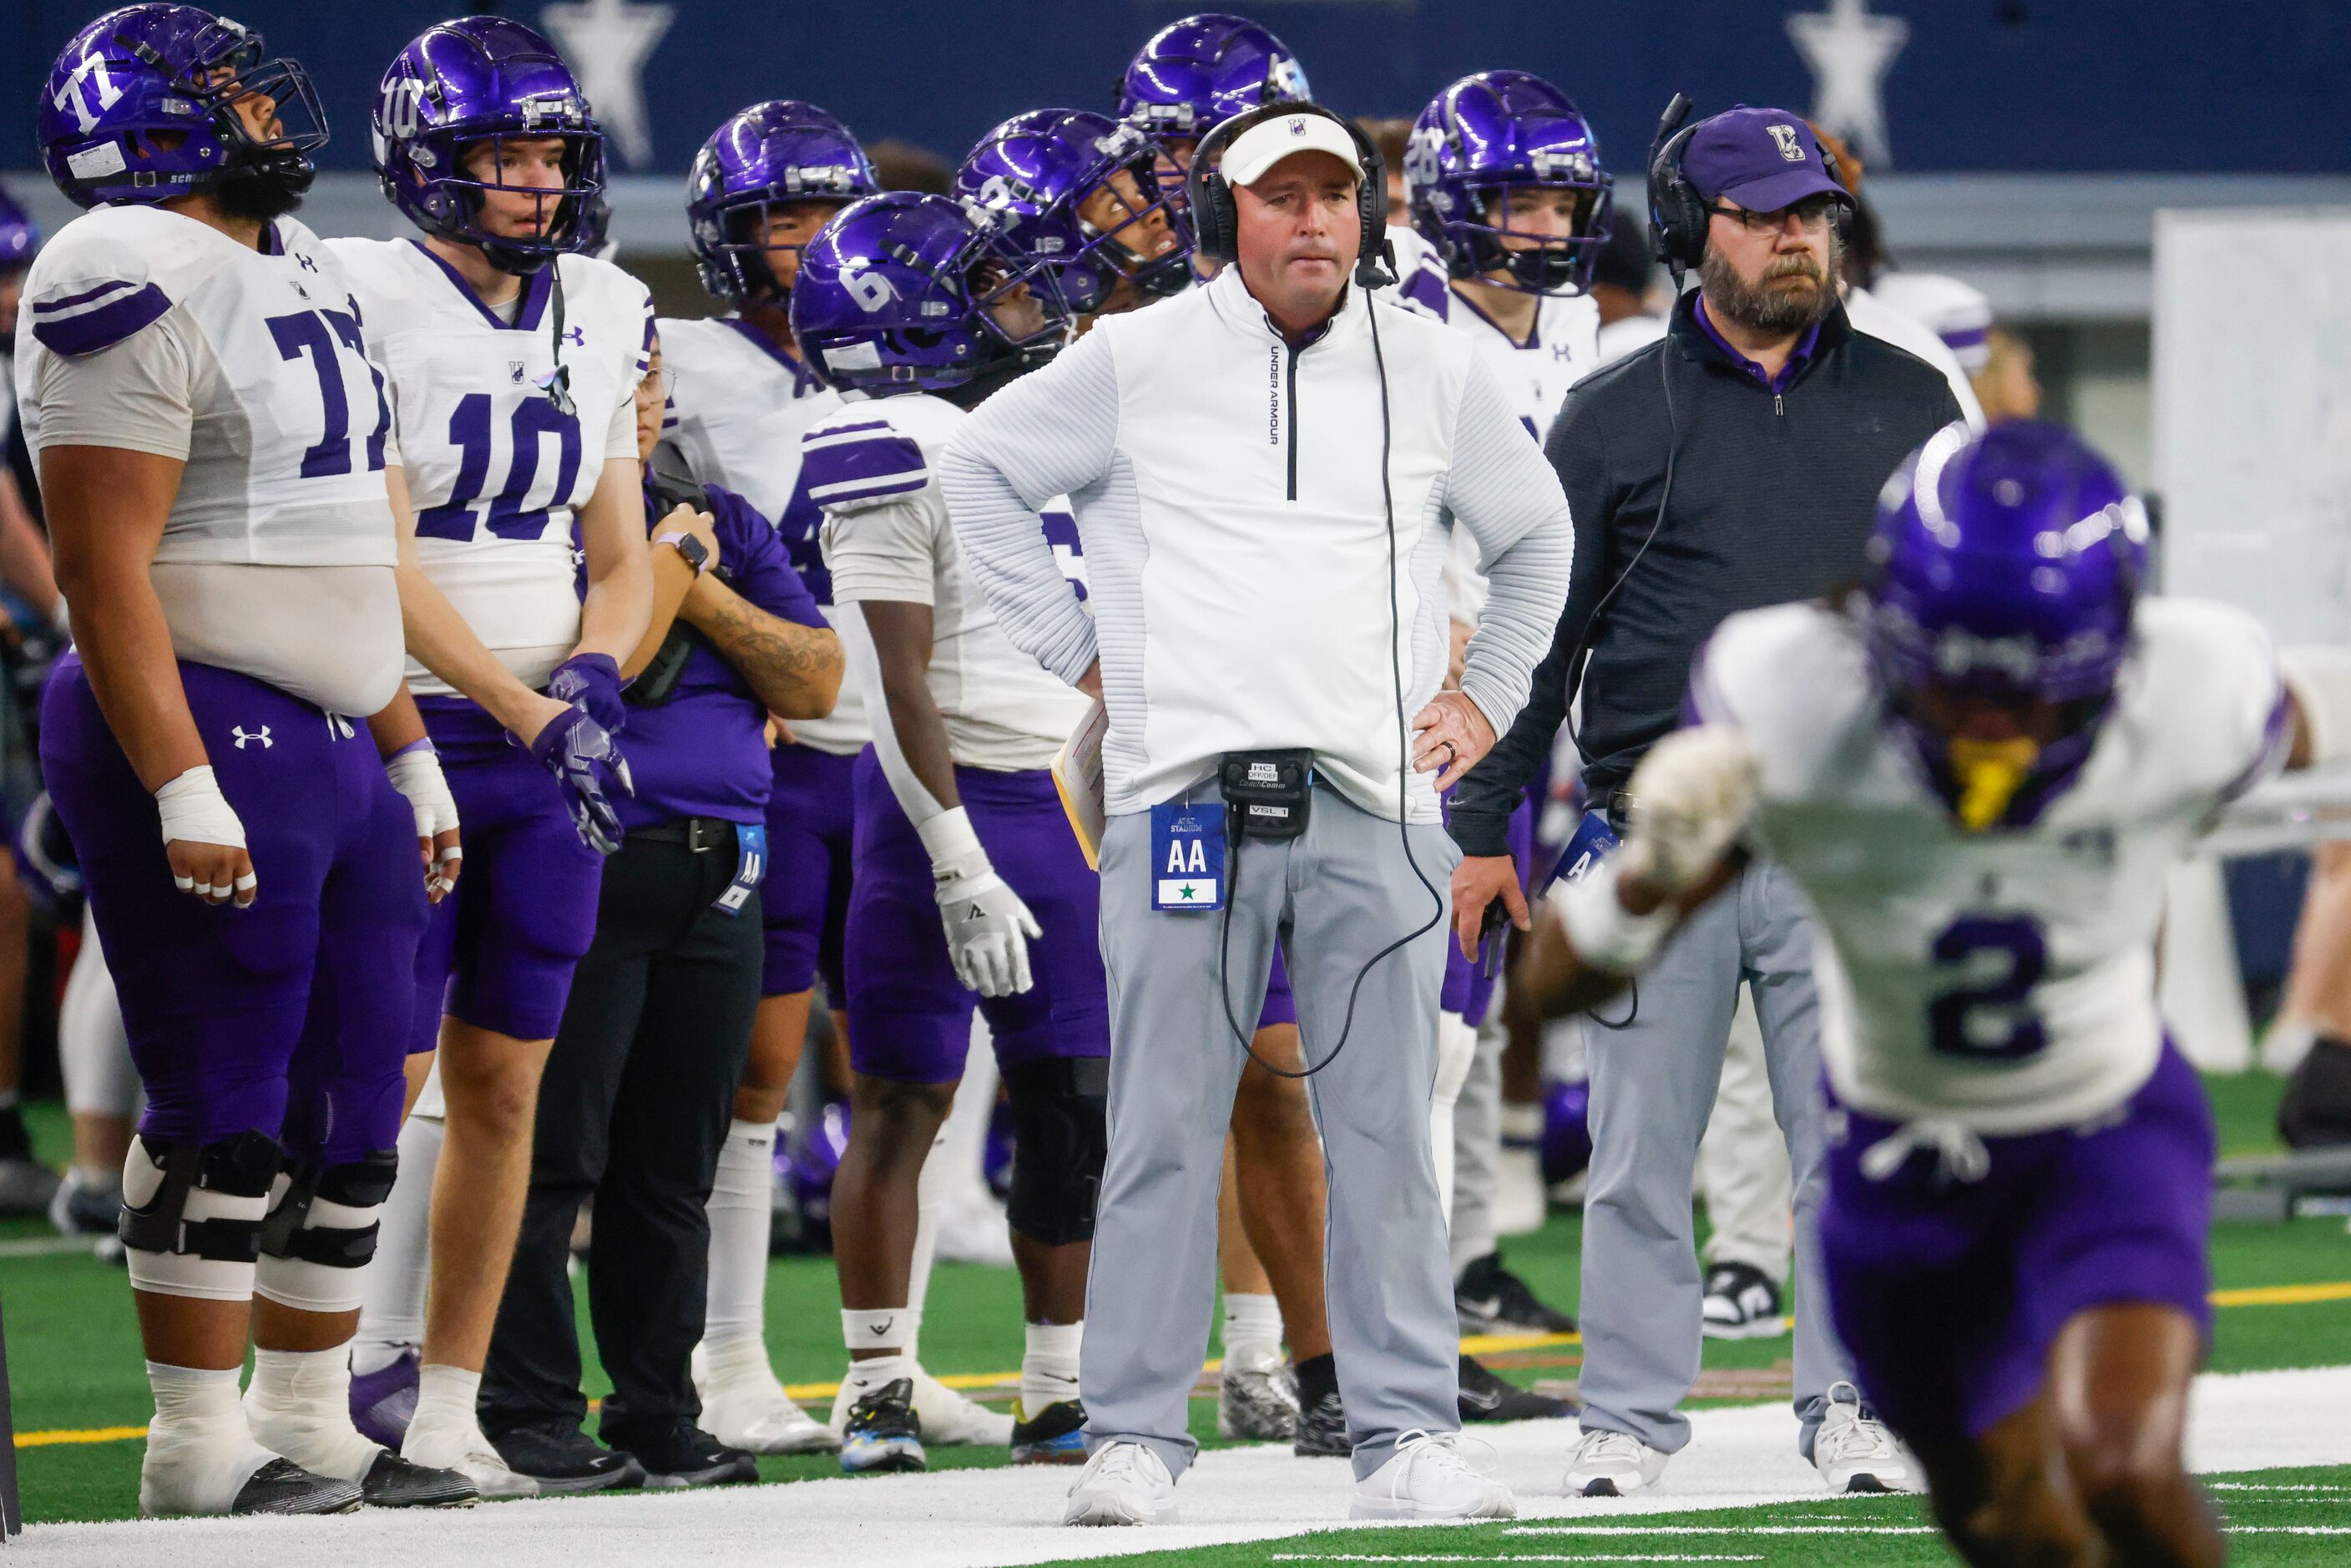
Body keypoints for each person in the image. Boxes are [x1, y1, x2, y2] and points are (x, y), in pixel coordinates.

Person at [1519, 418, 2307, 1568]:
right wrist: (1651, 871)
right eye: (1962, 687)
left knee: (2125, 1465)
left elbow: (2309, 723)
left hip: (2104, 1131)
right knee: (2000, 1520)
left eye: (2034, 692)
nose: (1994, 729)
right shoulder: (1794, 699)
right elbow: (1550, 988)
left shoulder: (2193, 686)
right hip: (1898, 1166)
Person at [942, 102, 1572, 1525]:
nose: (1313, 223)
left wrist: (1489, 704)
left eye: (1334, 197)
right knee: (1161, 1121)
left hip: (1380, 801)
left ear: (1365, 211)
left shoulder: (1434, 364)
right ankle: (1135, 1434)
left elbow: (1537, 537)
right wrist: (1078, 648)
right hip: (1180, 801)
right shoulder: (1135, 356)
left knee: (1389, 1133)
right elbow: (975, 471)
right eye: (1281, 197)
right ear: (1227, 212)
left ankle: (1407, 1432)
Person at [1448, 103, 1959, 1498]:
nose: (1798, 236)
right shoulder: (1613, 416)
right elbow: (1535, 648)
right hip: (1651, 837)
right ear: (1691, 232)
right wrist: (1487, 833)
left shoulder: (1916, 400)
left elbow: (1963, 628)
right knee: (1635, 1155)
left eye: (1814, 214)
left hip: (1855, 834)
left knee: (1851, 1148)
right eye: (1763, 214)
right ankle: (1622, 1413)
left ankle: (1854, 1401)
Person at [23, 3, 473, 1515]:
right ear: (150, 131)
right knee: (229, 1099)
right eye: (232, 97)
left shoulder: (298, 263)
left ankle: (309, 1410)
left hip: (335, 727)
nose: (272, 115)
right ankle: (195, 1444)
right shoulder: (114, 265)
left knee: (358, 1105)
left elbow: (352, 550)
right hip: (211, 711)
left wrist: (408, 744)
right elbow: (101, 567)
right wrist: (180, 777)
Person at [963, 102, 1345, 1454]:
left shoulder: (1240, 336)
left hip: (1272, 731)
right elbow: (977, 484)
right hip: (1124, 757)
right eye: (1115, 198)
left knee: (1279, 1064)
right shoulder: (1080, 358)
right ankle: (1094, 1384)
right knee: (1155, 1069)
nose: (1142, 214)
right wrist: (1086, 659)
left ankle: (1299, 1357)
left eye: (1148, 194)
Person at [330, 15, 652, 1498]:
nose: (533, 183)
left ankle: (448, 1402)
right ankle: (305, 1387)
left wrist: (589, 673)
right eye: (499, 157)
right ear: (423, 165)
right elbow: (375, 556)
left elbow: (623, 547)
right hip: (407, 720)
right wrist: (523, 708)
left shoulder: (608, 302)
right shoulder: (354, 291)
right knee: (368, 1080)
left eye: (547, 155)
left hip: (551, 737)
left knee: (508, 1084)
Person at [478, 329, 843, 1490]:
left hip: (723, 864)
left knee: (669, 1166)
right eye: (609, 374)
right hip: (582, 844)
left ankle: (655, 1407)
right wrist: (669, 574)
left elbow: (820, 681)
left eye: (646, 376)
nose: (637, 399)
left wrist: (694, 580)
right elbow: (597, 671)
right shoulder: (516, 521)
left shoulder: (717, 515)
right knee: (552, 1153)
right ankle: (525, 1406)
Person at [789, 191, 1105, 1473]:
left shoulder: (1028, 420)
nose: (1020, 302)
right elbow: (893, 684)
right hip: (940, 794)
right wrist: (956, 852)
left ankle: (1057, 1390)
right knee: (901, 1096)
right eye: (988, 283)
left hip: (1062, 794)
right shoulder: (890, 440)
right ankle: (875, 1385)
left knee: (1071, 1104)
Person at [662, 97, 878, 1459]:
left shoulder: (918, 350)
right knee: (756, 1063)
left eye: (826, 217)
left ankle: (887, 1365)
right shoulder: (682, 361)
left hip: (902, 751)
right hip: (774, 749)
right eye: (779, 222)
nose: (809, 247)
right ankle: (726, 1351)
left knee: (913, 1060)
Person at [1398, 69, 1606, 1377]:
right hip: (1425, 712)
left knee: (1458, 1036)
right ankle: (1381, 1332)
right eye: (1515, 199)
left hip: (1523, 718)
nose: (1542, 226)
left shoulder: (1578, 330)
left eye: (1560, 199)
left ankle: (1421, 1306)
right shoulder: (1391, 323)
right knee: (1413, 1044)